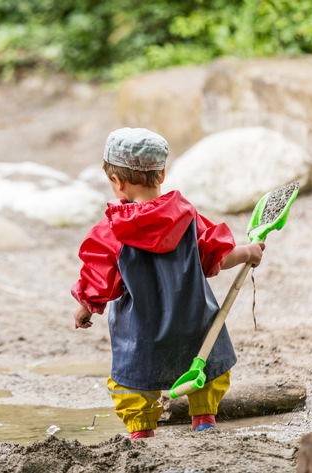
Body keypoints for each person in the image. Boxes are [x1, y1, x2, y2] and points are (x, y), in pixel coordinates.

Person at [71, 127, 264, 439]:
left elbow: (99, 278)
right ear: (161, 174)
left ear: (117, 182)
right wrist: (247, 252)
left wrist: (86, 306)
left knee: (133, 382)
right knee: (205, 366)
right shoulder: (186, 217)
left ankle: (142, 433)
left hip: (140, 333)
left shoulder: (111, 230)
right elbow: (215, 255)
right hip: (193, 322)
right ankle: (203, 419)